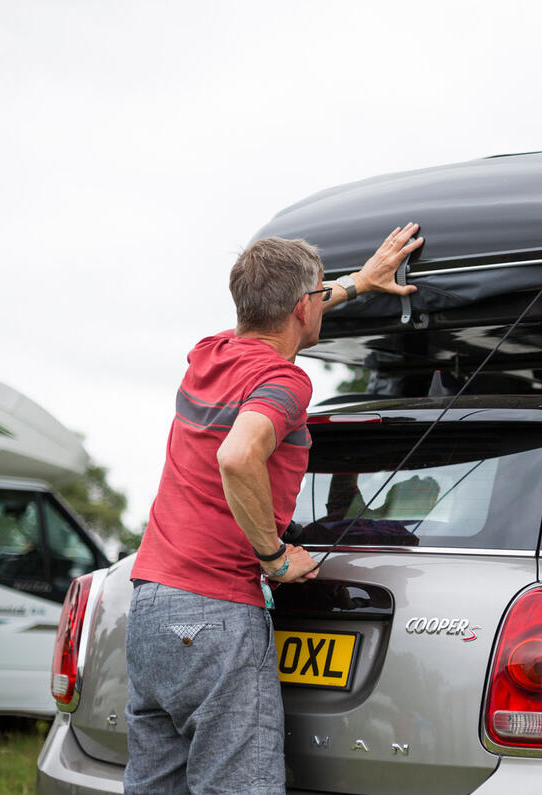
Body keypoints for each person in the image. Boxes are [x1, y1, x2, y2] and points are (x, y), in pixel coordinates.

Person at [124, 225, 422, 794]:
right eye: (319, 298)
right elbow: (239, 456)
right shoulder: (282, 380)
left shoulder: (208, 354)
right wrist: (275, 556)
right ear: (301, 309)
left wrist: (359, 283)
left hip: (151, 607)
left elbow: (291, 303)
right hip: (215, 612)